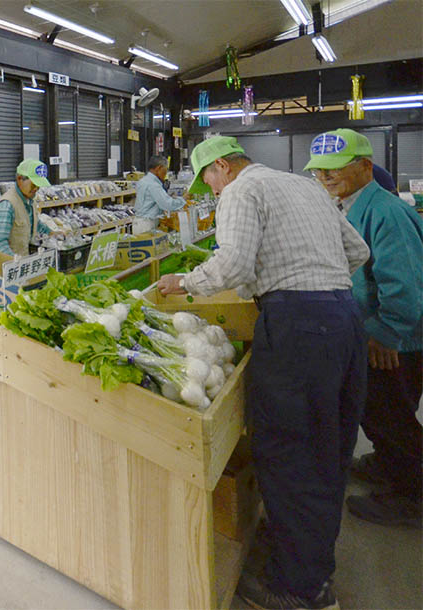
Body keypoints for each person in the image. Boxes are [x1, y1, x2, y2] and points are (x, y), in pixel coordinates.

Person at [156, 136, 370, 610]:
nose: (210, 190)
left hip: (297, 327)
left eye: (207, 179)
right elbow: (357, 253)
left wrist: (183, 283)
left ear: (222, 167)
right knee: (329, 447)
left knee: (287, 447)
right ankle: (314, 564)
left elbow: (230, 264)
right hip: (343, 319)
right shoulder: (305, 186)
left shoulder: (240, 192)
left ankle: (299, 588)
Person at [305, 128, 423, 527]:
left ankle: (413, 497)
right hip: (370, 335)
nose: (325, 177)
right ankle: (387, 465)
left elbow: (404, 282)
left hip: (393, 343)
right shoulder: (349, 205)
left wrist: (387, 332)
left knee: (392, 417)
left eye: (334, 169)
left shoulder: (385, 211)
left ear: (365, 166)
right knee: (375, 413)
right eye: (319, 171)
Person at [0, 158, 53, 256]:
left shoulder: (29, 200)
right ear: (20, 179)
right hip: (11, 266)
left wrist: (51, 233)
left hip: (27, 260)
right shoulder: (7, 205)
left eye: (39, 185)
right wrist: (16, 262)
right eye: (33, 184)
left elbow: (33, 223)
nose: (36, 188)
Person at [132, 154, 187, 234]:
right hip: (147, 225)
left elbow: (152, 200)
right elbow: (167, 204)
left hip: (139, 222)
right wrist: (183, 199)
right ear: (159, 168)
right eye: (166, 170)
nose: (166, 173)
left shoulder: (144, 180)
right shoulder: (153, 185)